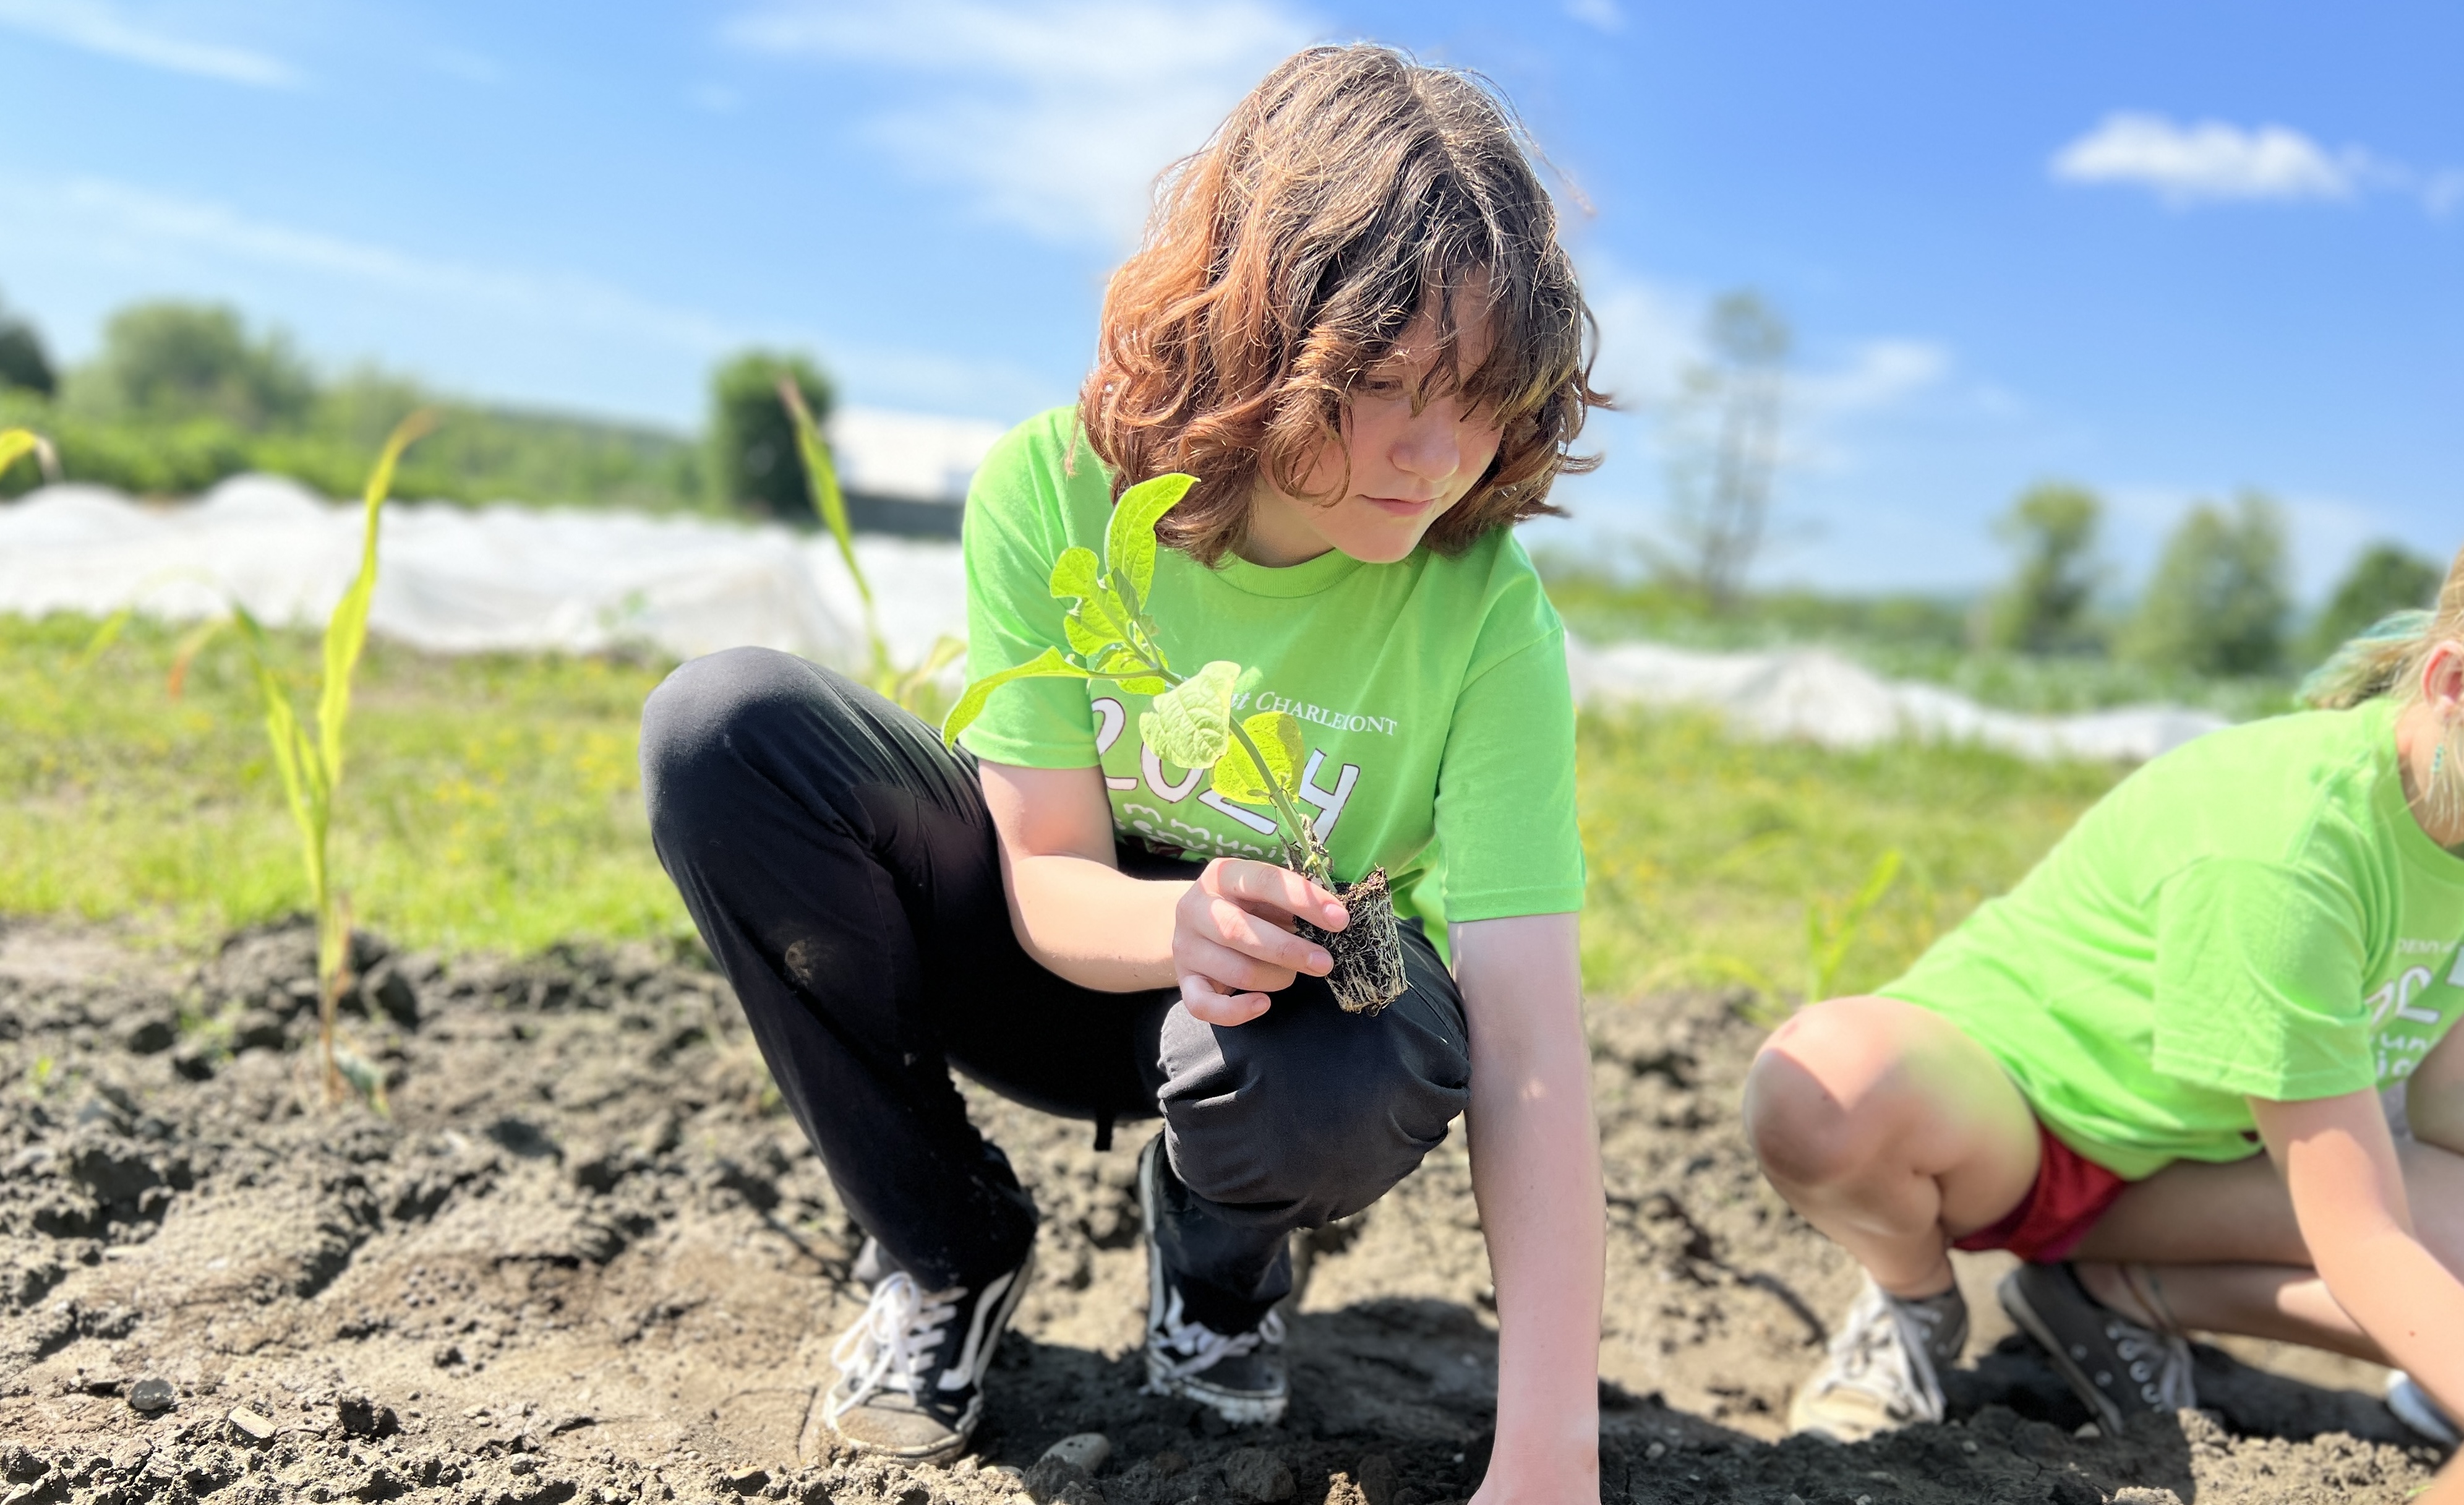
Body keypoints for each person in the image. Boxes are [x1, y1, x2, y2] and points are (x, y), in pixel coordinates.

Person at [640, 45, 1609, 1502]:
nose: (1435, 453)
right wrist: (1181, 920)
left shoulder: (1486, 612)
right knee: (725, 730)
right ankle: (946, 1245)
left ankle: (1220, 1267)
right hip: (1052, 956)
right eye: (1381, 384)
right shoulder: (1062, 490)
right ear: (1261, 329)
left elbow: (1529, 1038)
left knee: (1372, 1035)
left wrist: (1548, 1457)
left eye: (1479, 394)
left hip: (1280, 1028)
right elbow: (1046, 873)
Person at [1743, 546, 2464, 1485]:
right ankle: (1911, 1300)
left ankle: (2114, 1295)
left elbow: (2444, 1111)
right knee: (1826, 1087)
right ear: (2452, 684)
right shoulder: (2295, 844)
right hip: (2017, 1125)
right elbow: (2361, 1233)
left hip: (2201, 1161)